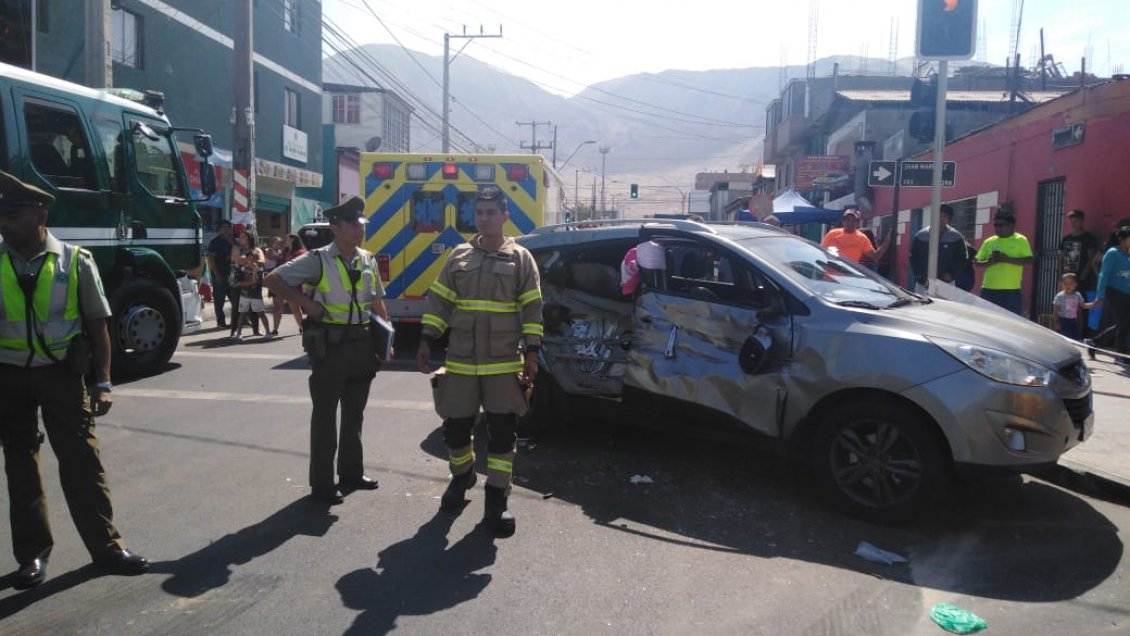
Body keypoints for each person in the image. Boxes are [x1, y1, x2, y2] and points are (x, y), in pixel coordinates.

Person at [0, 171, 148, 590]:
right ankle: (31, 555)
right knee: (20, 466)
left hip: (62, 376)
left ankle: (107, 548)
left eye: (13, 215)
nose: (4, 224)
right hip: (8, 378)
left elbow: (98, 324)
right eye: (1, 216)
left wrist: (103, 381)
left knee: (83, 462)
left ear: (40, 216)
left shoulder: (74, 260)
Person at [416, 186, 543, 537]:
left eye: (491, 212)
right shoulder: (458, 256)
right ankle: (462, 477)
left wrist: (532, 352)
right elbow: (440, 301)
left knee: (502, 434)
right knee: (455, 430)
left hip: (503, 364)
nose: (485, 218)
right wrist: (427, 339)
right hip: (460, 361)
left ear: (505, 216)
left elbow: (532, 309)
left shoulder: (521, 259)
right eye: (480, 212)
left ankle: (497, 499)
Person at [264, 197, 390, 504]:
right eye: (352, 224)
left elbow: (376, 300)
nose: (359, 230)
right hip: (331, 348)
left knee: (354, 414)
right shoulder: (318, 259)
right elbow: (273, 280)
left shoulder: (367, 259)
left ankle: (351, 473)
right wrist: (305, 303)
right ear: (335, 228)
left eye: (361, 224)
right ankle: (322, 484)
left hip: (362, 345)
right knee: (324, 417)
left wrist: (388, 336)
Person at [974, 210, 1034, 315]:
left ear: (1011, 225)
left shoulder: (1021, 240)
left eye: (1001, 225)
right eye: (995, 225)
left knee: (1010, 321)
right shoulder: (989, 242)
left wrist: (1006, 259)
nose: (997, 228)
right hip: (988, 290)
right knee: (987, 320)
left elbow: (1029, 261)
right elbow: (976, 262)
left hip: (1011, 291)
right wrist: (990, 262)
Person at [1090, 226, 1130, 363]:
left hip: (1127, 292)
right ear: (1121, 239)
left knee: (1124, 323)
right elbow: (1104, 275)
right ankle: (1120, 355)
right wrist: (1099, 296)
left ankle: (1094, 342)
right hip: (1114, 292)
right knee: (1123, 323)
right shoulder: (1112, 253)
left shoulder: (1128, 254)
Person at [909, 204, 970, 292]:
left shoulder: (956, 237)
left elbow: (962, 259)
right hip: (923, 283)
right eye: (939, 215)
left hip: (946, 284)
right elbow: (913, 257)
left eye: (945, 216)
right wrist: (919, 275)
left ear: (949, 219)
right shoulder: (921, 235)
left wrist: (951, 274)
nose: (941, 218)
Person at [1060, 209, 1100, 334]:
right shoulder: (1066, 239)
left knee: (1082, 306)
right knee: (1066, 304)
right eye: (1071, 221)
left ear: (1082, 221)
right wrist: (1061, 275)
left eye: (1076, 221)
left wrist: (1083, 275)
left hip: (1082, 279)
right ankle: (1067, 330)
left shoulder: (1088, 238)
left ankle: (1083, 332)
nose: (1073, 224)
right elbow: (1061, 258)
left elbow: (1091, 258)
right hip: (1067, 278)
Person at [821, 207, 891, 265]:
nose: (850, 223)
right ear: (843, 222)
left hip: (850, 275)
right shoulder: (832, 234)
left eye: (853, 221)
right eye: (848, 220)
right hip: (830, 275)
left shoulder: (862, 238)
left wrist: (887, 240)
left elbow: (875, 257)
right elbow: (821, 252)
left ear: (857, 223)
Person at [271, 233, 307, 334]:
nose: (285, 241)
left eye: (287, 239)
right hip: (280, 282)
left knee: (294, 307)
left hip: (292, 284)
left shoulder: (300, 252)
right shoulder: (285, 252)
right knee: (277, 306)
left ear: (292, 240)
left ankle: (301, 326)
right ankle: (275, 329)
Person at [206, 220, 236, 328]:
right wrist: (216, 274)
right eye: (223, 227)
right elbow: (211, 259)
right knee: (219, 300)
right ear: (219, 229)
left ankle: (236, 321)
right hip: (220, 273)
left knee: (235, 299)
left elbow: (239, 253)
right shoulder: (215, 242)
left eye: (228, 227)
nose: (226, 230)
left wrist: (231, 242)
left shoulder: (233, 241)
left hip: (232, 274)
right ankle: (221, 322)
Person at [1052, 273, 1096, 341]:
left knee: (1076, 338)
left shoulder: (1077, 295)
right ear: (1061, 284)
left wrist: (1094, 304)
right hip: (1063, 320)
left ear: (1075, 284)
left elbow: (1083, 305)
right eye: (1065, 283)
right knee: (1065, 338)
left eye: (1071, 283)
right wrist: (1056, 323)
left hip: (1074, 320)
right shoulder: (1059, 296)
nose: (1068, 286)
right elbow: (1055, 311)